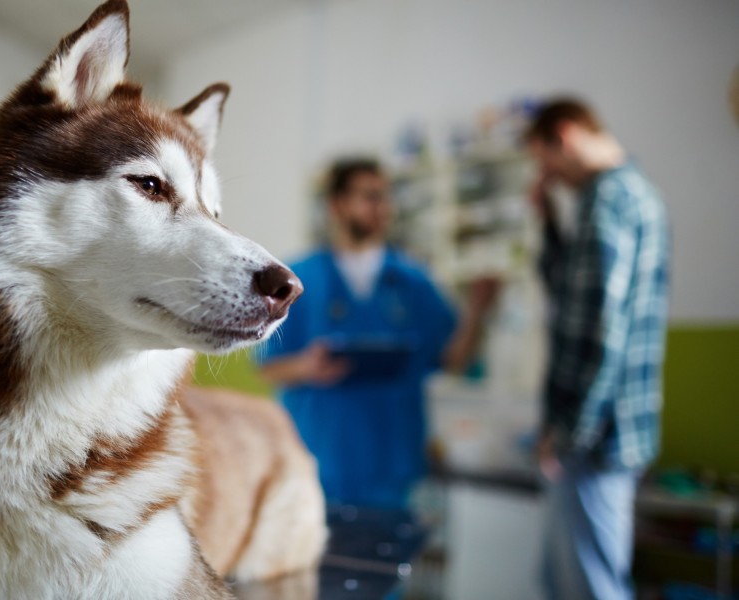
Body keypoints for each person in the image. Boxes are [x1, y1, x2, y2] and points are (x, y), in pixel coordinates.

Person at [258, 157, 497, 509]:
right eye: (370, 197)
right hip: (318, 466)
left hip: (391, 470)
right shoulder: (299, 279)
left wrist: (478, 310)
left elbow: (453, 361)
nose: (382, 207)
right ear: (338, 204)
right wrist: (308, 367)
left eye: (385, 197)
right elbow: (267, 367)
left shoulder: (413, 283)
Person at [525, 98, 670, 600]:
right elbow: (571, 296)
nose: (548, 177)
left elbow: (600, 335)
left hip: (593, 438)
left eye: (545, 163)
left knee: (591, 588)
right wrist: (547, 222)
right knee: (575, 580)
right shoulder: (636, 194)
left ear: (564, 137)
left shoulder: (606, 200)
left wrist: (565, 434)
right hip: (611, 431)